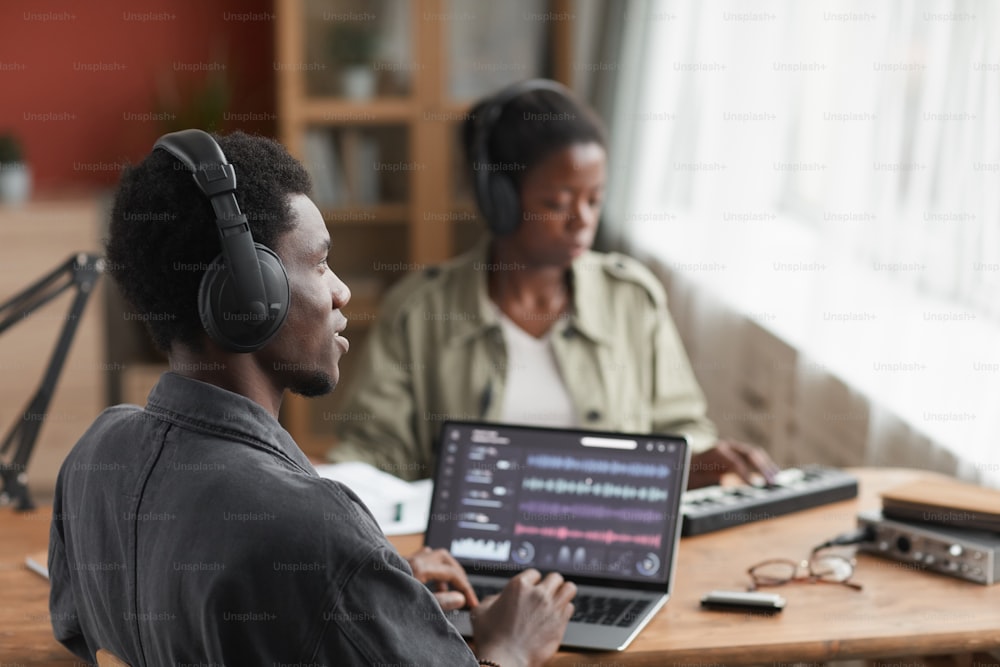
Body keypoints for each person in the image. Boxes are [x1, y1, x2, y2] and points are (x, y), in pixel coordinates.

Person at [48, 130, 575, 666]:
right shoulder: (310, 525)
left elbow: (78, 631)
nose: (341, 291)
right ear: (248, 298)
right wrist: (510, 648)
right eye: (321, 265)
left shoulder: (95, 455)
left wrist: (369, 592)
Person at [328, 79, 779, 489]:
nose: (582, 220)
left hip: (612, 535)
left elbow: (681, 427)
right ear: (499, 199)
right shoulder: (420, 310)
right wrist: (330, 483)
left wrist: (698, 459)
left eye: (594, 199)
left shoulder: (632, 299)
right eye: (558, 202)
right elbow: (376, 452)